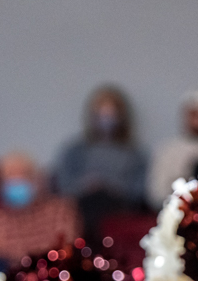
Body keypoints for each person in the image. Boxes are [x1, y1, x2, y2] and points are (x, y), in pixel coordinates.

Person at [55, 86, 149, 233]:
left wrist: (111, 187)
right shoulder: (75, 150)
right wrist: (86, 185)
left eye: (111, 113)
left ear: (122, 116)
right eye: (101, 113)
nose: (106, 118)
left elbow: (139, 192)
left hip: (120, 210)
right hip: (82, 209)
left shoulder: (135, 153)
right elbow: (64, 185)